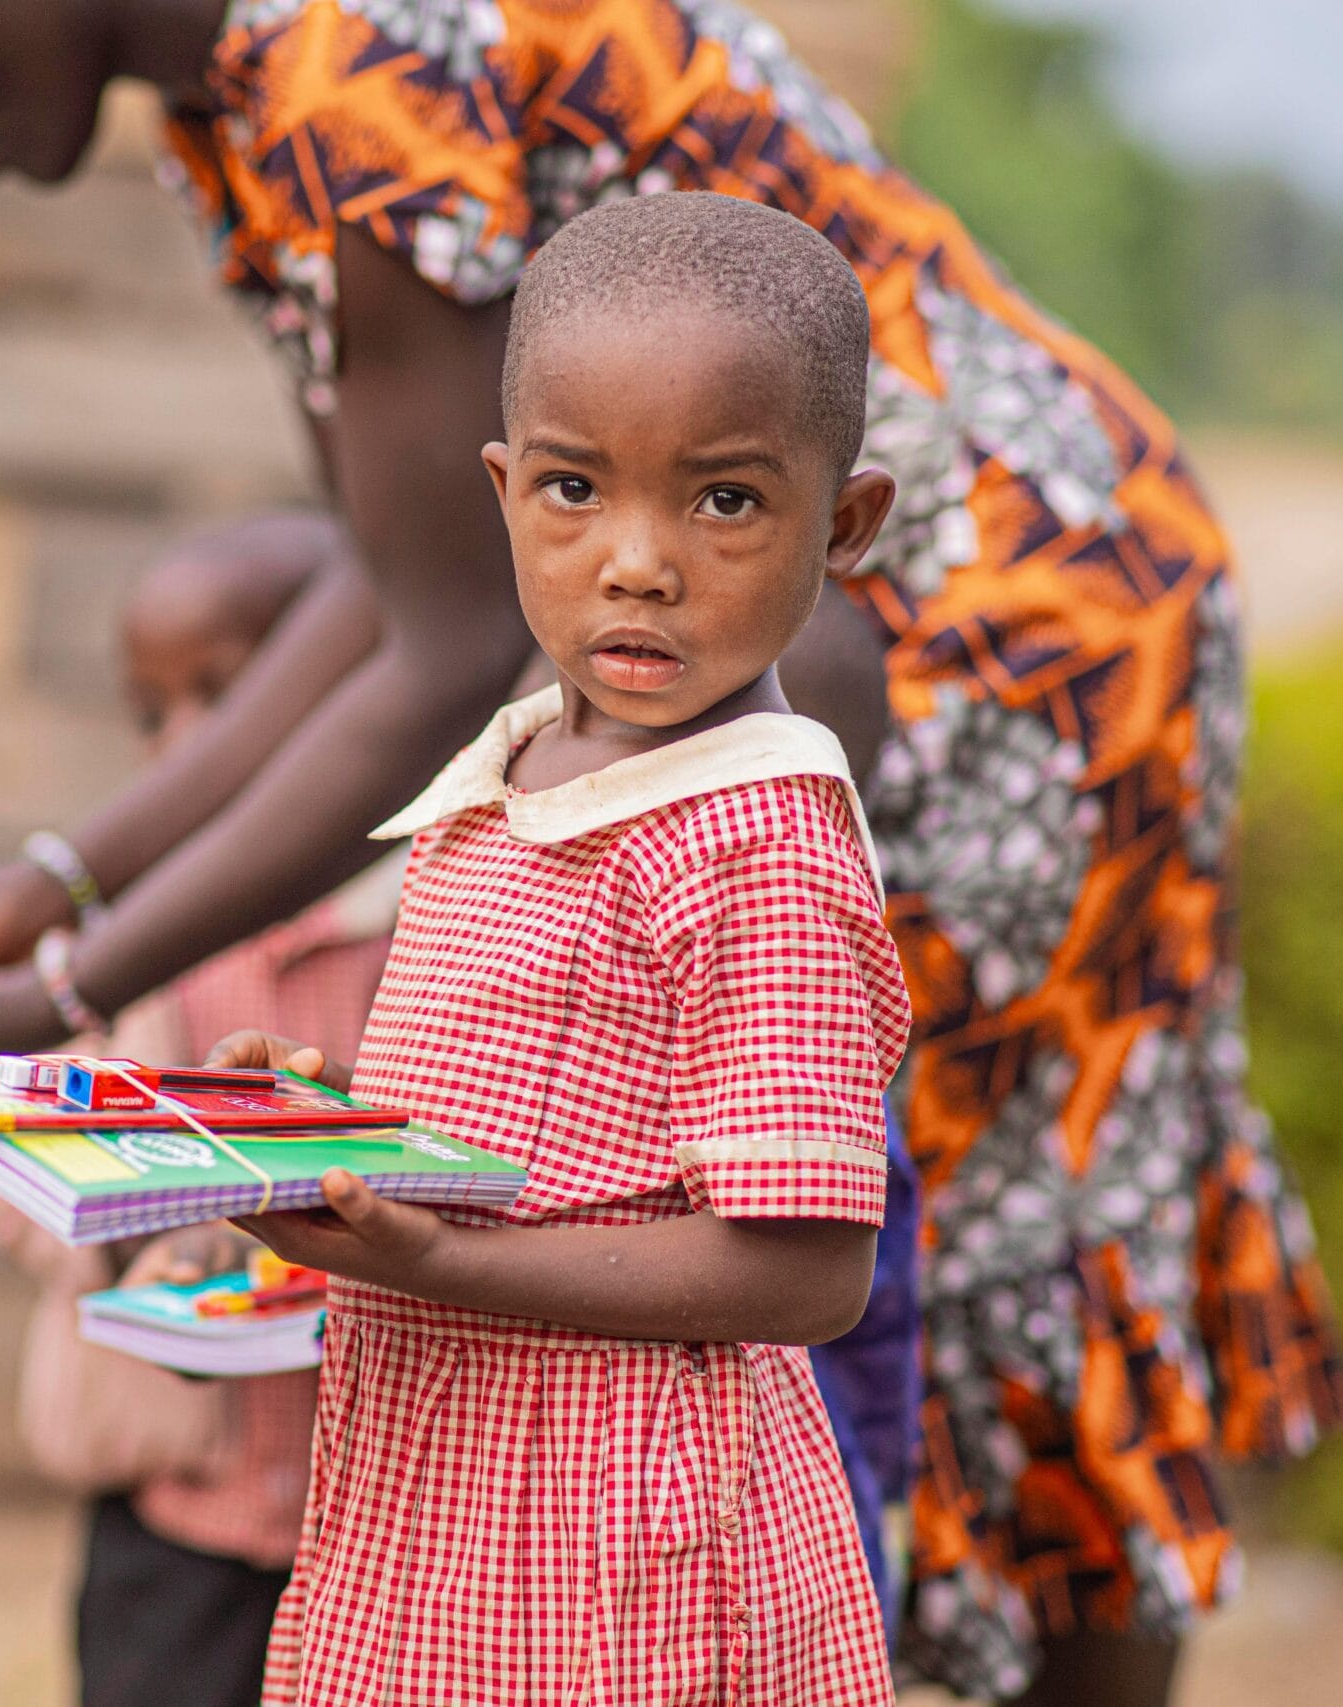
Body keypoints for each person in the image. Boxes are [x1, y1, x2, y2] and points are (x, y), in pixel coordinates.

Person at [0, 3, 1343, 1701]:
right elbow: (405, 577)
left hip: (1009, 649)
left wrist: (65, 975)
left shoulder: (356, 67)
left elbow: (436, 643)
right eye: (567, 492)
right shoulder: (241, 115)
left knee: (983, 1281)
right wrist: (63, 890)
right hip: (820, 662)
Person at [199, 192, 902, 1705]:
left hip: (627, 1552)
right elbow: (535, 1128)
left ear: (845, 526)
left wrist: (440, 1256)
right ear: (504, 491)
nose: (636, 562)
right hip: (437, 1506)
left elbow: (809, 1269)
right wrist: (324, 1132)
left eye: (725, 501)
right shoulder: (509, 769)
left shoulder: (755, 838)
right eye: (575, 488)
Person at [0, 518, 397, 1707]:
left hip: (390, 1524)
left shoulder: (432, 917)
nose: (185, 746)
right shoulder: (120, 936)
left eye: (226, 698)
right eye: (153, 712)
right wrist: (133, 1234)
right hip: (173, 1514)